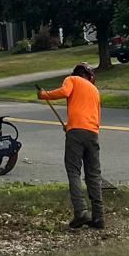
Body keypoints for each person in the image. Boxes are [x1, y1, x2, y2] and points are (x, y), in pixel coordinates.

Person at [38, 61, 104, 230]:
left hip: (76, 134)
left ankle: (81, 212)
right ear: (90, 76)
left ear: (77, 73)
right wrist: (71, 125)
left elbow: (65, 92)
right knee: (93, 175)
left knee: (74, 171)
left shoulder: (72, 80)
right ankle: (98, 217)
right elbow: (92, 115)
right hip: (92, 133)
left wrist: (44, 94)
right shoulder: (95, 91)